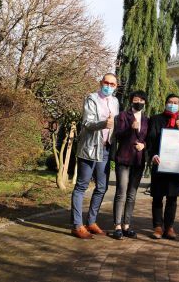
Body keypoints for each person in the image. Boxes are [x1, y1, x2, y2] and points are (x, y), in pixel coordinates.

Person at [70, 73, 120, 239]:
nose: (109, 86)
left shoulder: (115, 101)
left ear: (116, 87)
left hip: (105, 149)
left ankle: (91, 221)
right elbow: (87, 123)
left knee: (102, 187)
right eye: (106, 83)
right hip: (90, 148)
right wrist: (104, 124)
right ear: (101, 83)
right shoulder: (91, 98)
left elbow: (116, 125)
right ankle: (77, 225)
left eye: (112, 84)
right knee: (82, 186)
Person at [147, 93, 179, 240]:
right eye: (170, 102)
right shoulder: (155, 119)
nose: (172, 104)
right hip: (159, 163)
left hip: (176, 166)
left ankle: (169, 227)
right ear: (165, 103)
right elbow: (150, 140)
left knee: (172, 197)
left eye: (175, 102)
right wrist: (153, 155)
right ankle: (158, 226)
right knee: (157, 196)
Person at [111, 90, 149, 240]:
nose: (138, 102)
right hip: (124, 158)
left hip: (138, 161)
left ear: (145, 102)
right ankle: (117, 226)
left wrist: (144, 145)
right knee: (121, 191)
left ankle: (126, 225)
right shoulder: (122, 116)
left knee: (132, 194)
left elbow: (148, 138)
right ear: (131, 101)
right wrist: (130, 128)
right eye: (136, 99)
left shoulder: (146, 119)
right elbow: (118, 135)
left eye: (141, 100)